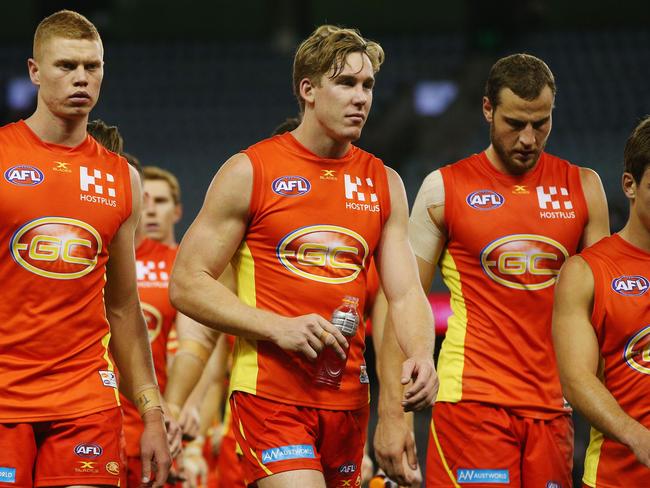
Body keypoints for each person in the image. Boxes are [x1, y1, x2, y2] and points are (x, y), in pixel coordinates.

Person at [170, 24, 437, 488]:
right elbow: (187, 282)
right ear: (307, 89)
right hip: (270, 396)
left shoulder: (384, 182)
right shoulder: (249, 170)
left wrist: (421, 354)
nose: (361, 98)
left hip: (348, 400)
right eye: (346, 83)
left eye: (368, 85)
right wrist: (278, 326)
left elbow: (406, 290)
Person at [375, 53, 611, 487]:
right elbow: (400, 299)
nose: (528, 138)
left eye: (540, 123)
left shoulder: (584, 189)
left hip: (553, 412)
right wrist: (393, 414)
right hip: (471, 405)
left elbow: (606, 313)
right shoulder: (444, 188)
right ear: (487, 110)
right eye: (514, 122)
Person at [0, 10, 170, 487]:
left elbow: (123, 307)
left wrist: (151, 410)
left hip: (85, 400)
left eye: (92, 67)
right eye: (66, 66)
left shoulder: (122, 179)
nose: (81, 78)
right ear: (34, 71)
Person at [553, 116, 650, 487]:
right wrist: (635, 434)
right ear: (630, 184)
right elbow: (575, 379)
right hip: (616, 477)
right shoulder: (587, 271)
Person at [141, 165, 183, 247]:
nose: (151, 211)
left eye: (160, 201)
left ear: (177, 212)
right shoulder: (112, 259)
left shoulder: (193, 259)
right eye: (143, 201)